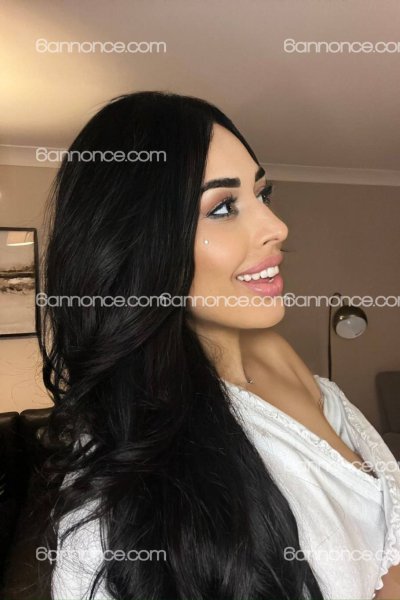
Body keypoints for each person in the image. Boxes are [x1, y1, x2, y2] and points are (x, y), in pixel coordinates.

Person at [36, 91, 400, 600]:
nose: (278, 227)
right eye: (224, 207)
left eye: (263, 194)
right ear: (140, 244)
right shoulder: (118, 506)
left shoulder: (275, 353)